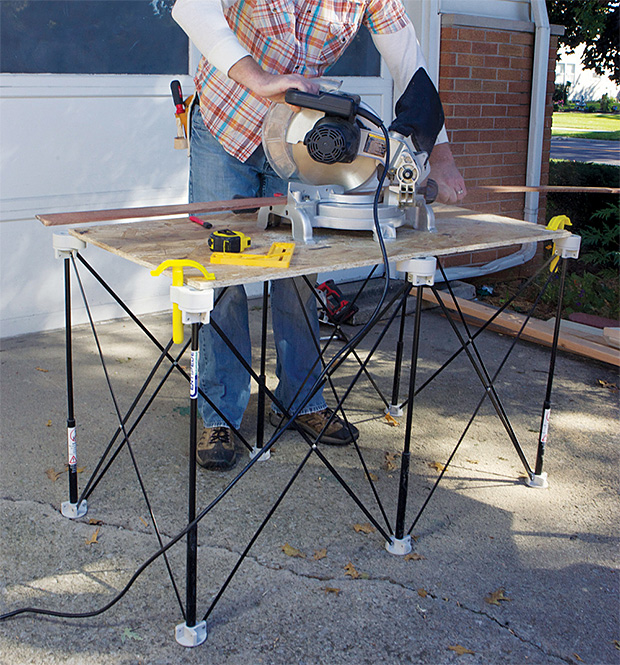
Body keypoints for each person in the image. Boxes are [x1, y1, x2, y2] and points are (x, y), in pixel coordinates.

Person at [172, 0, 467, 471]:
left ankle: (302, 399)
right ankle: (220, 411)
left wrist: (442, 153)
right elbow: (191, 8)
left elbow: (409, 64)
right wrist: (261, 80)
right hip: (227, 125)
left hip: (300, 139)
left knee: (301, 268)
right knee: (222, 271)